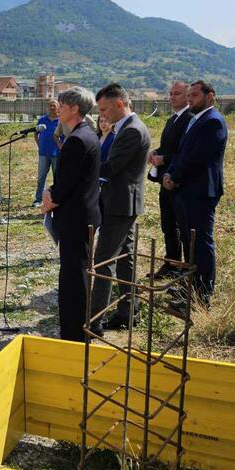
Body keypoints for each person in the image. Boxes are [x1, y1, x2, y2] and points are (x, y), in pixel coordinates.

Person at [41, 88, 101, 342]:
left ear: (74, 108)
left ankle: (74, 334)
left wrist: (49, 198)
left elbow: (66, 183)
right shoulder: (87, 133)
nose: (59, 109)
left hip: (75, 217)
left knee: (73, 276)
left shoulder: (77, 139)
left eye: (63, 105)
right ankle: (78, 328)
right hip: (83, 214)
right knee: (78, 271)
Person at [91, 83, 151, 330]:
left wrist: (81, 171)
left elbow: (112, 167)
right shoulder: (125, 128)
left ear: (119, 104)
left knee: (103, 260)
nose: (102, 115)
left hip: (120, 204)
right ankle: (128, 311)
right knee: (126, 257)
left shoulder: (132, 131)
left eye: (104, 109)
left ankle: (94, 320)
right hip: (120, 202)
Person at [164, 80, 227, 310]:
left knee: (200, 244)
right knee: (189, 243)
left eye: (195, 95)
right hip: (186, 190)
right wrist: (170, 172)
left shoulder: (213, 122)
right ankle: (189, 288)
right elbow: (182, 153)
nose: (189, 99)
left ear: (210, 96)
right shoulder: (196, 120)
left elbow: (196, 158)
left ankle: (202, 296)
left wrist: (175, 177)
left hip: (200, 192)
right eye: (188, 95)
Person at [147, 81, 191, 277]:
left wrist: (164, 159)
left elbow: (186, 153)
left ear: (187, 96)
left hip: (179, 182)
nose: (172, 97)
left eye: (177, 93)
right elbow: (168, 147)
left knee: (182, 226)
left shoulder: (189, 119)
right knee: (168, 225)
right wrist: (156, 152)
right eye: (171, 93)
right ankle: (171, 264)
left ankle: (185, 269)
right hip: (165, 181)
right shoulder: (172, 119)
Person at [33, 100, 61, 207]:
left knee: (57, 177)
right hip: (43, 153)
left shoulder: (61, 120)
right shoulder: (42, 120)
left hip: (57, 154)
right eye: (50, 106)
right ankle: (39, 199)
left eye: (54, 106)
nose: (52, 107)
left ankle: (56, 198)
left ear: (58, 107)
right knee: (41, 177)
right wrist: (40, 145)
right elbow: (36, 134)